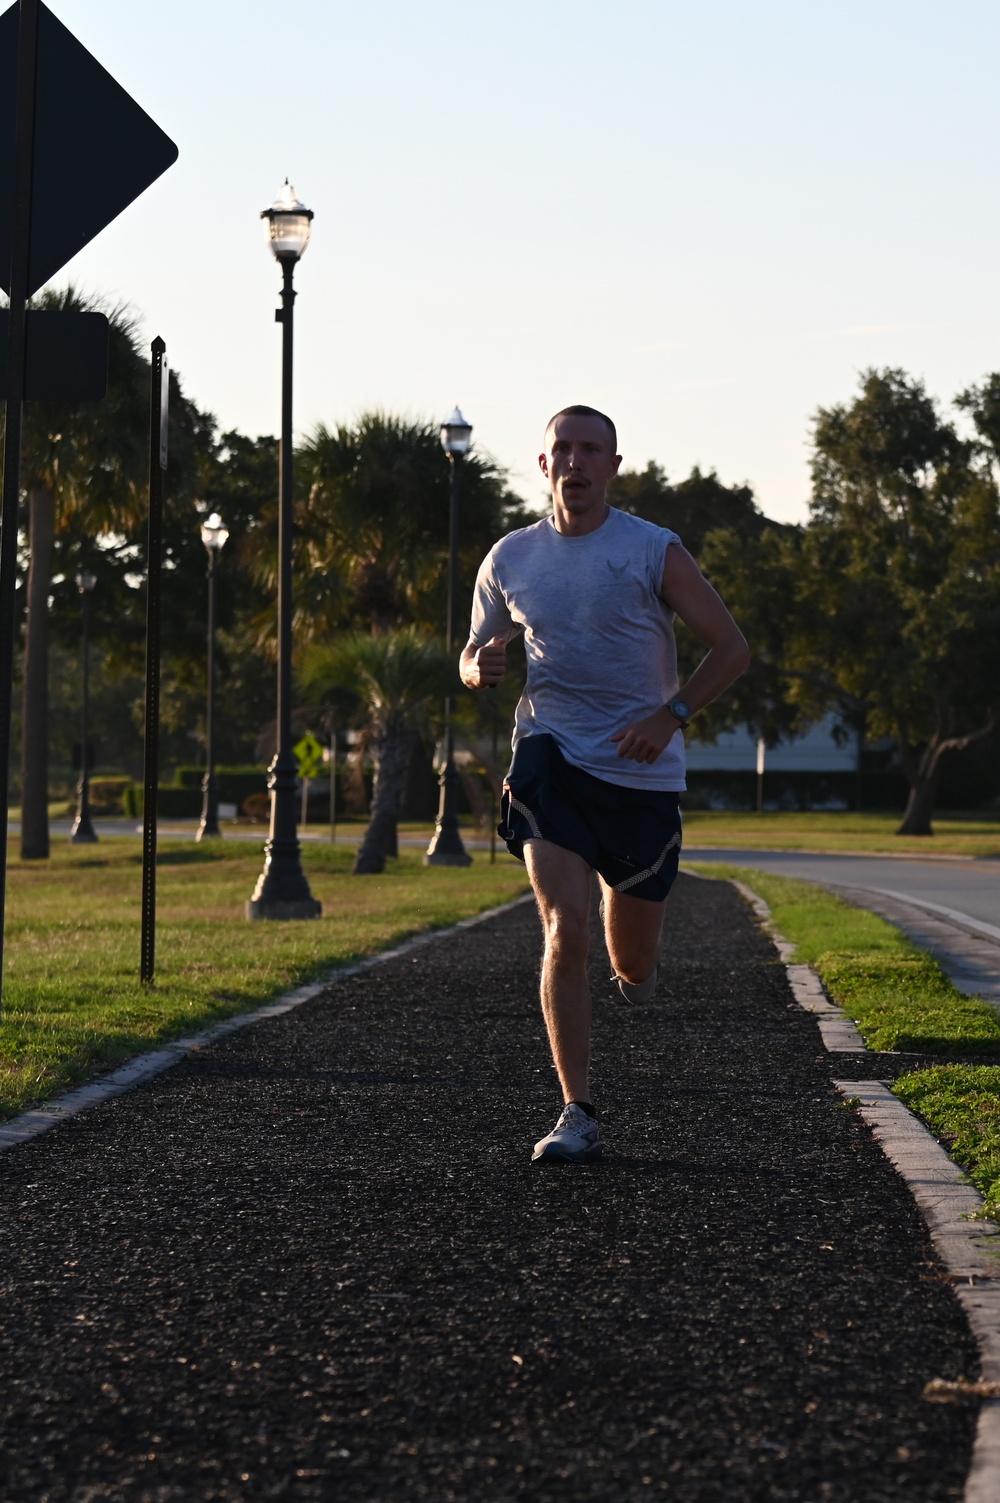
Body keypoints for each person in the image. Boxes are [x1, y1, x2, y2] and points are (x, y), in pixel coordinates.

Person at [460, 405, 750, 1164]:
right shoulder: (510, 558)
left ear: (615, 467)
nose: (578, 462)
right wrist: (478, 666)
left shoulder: (653, 550)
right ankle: (575, 1109)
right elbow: (473, 649)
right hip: (548, 754)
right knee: (567, 925)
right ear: (545, 464)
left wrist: (673, 713)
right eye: (565, 449)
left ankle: (636, 974)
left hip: (640, 772)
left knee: (633, 963)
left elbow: (730, 646)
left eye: (594, 450)